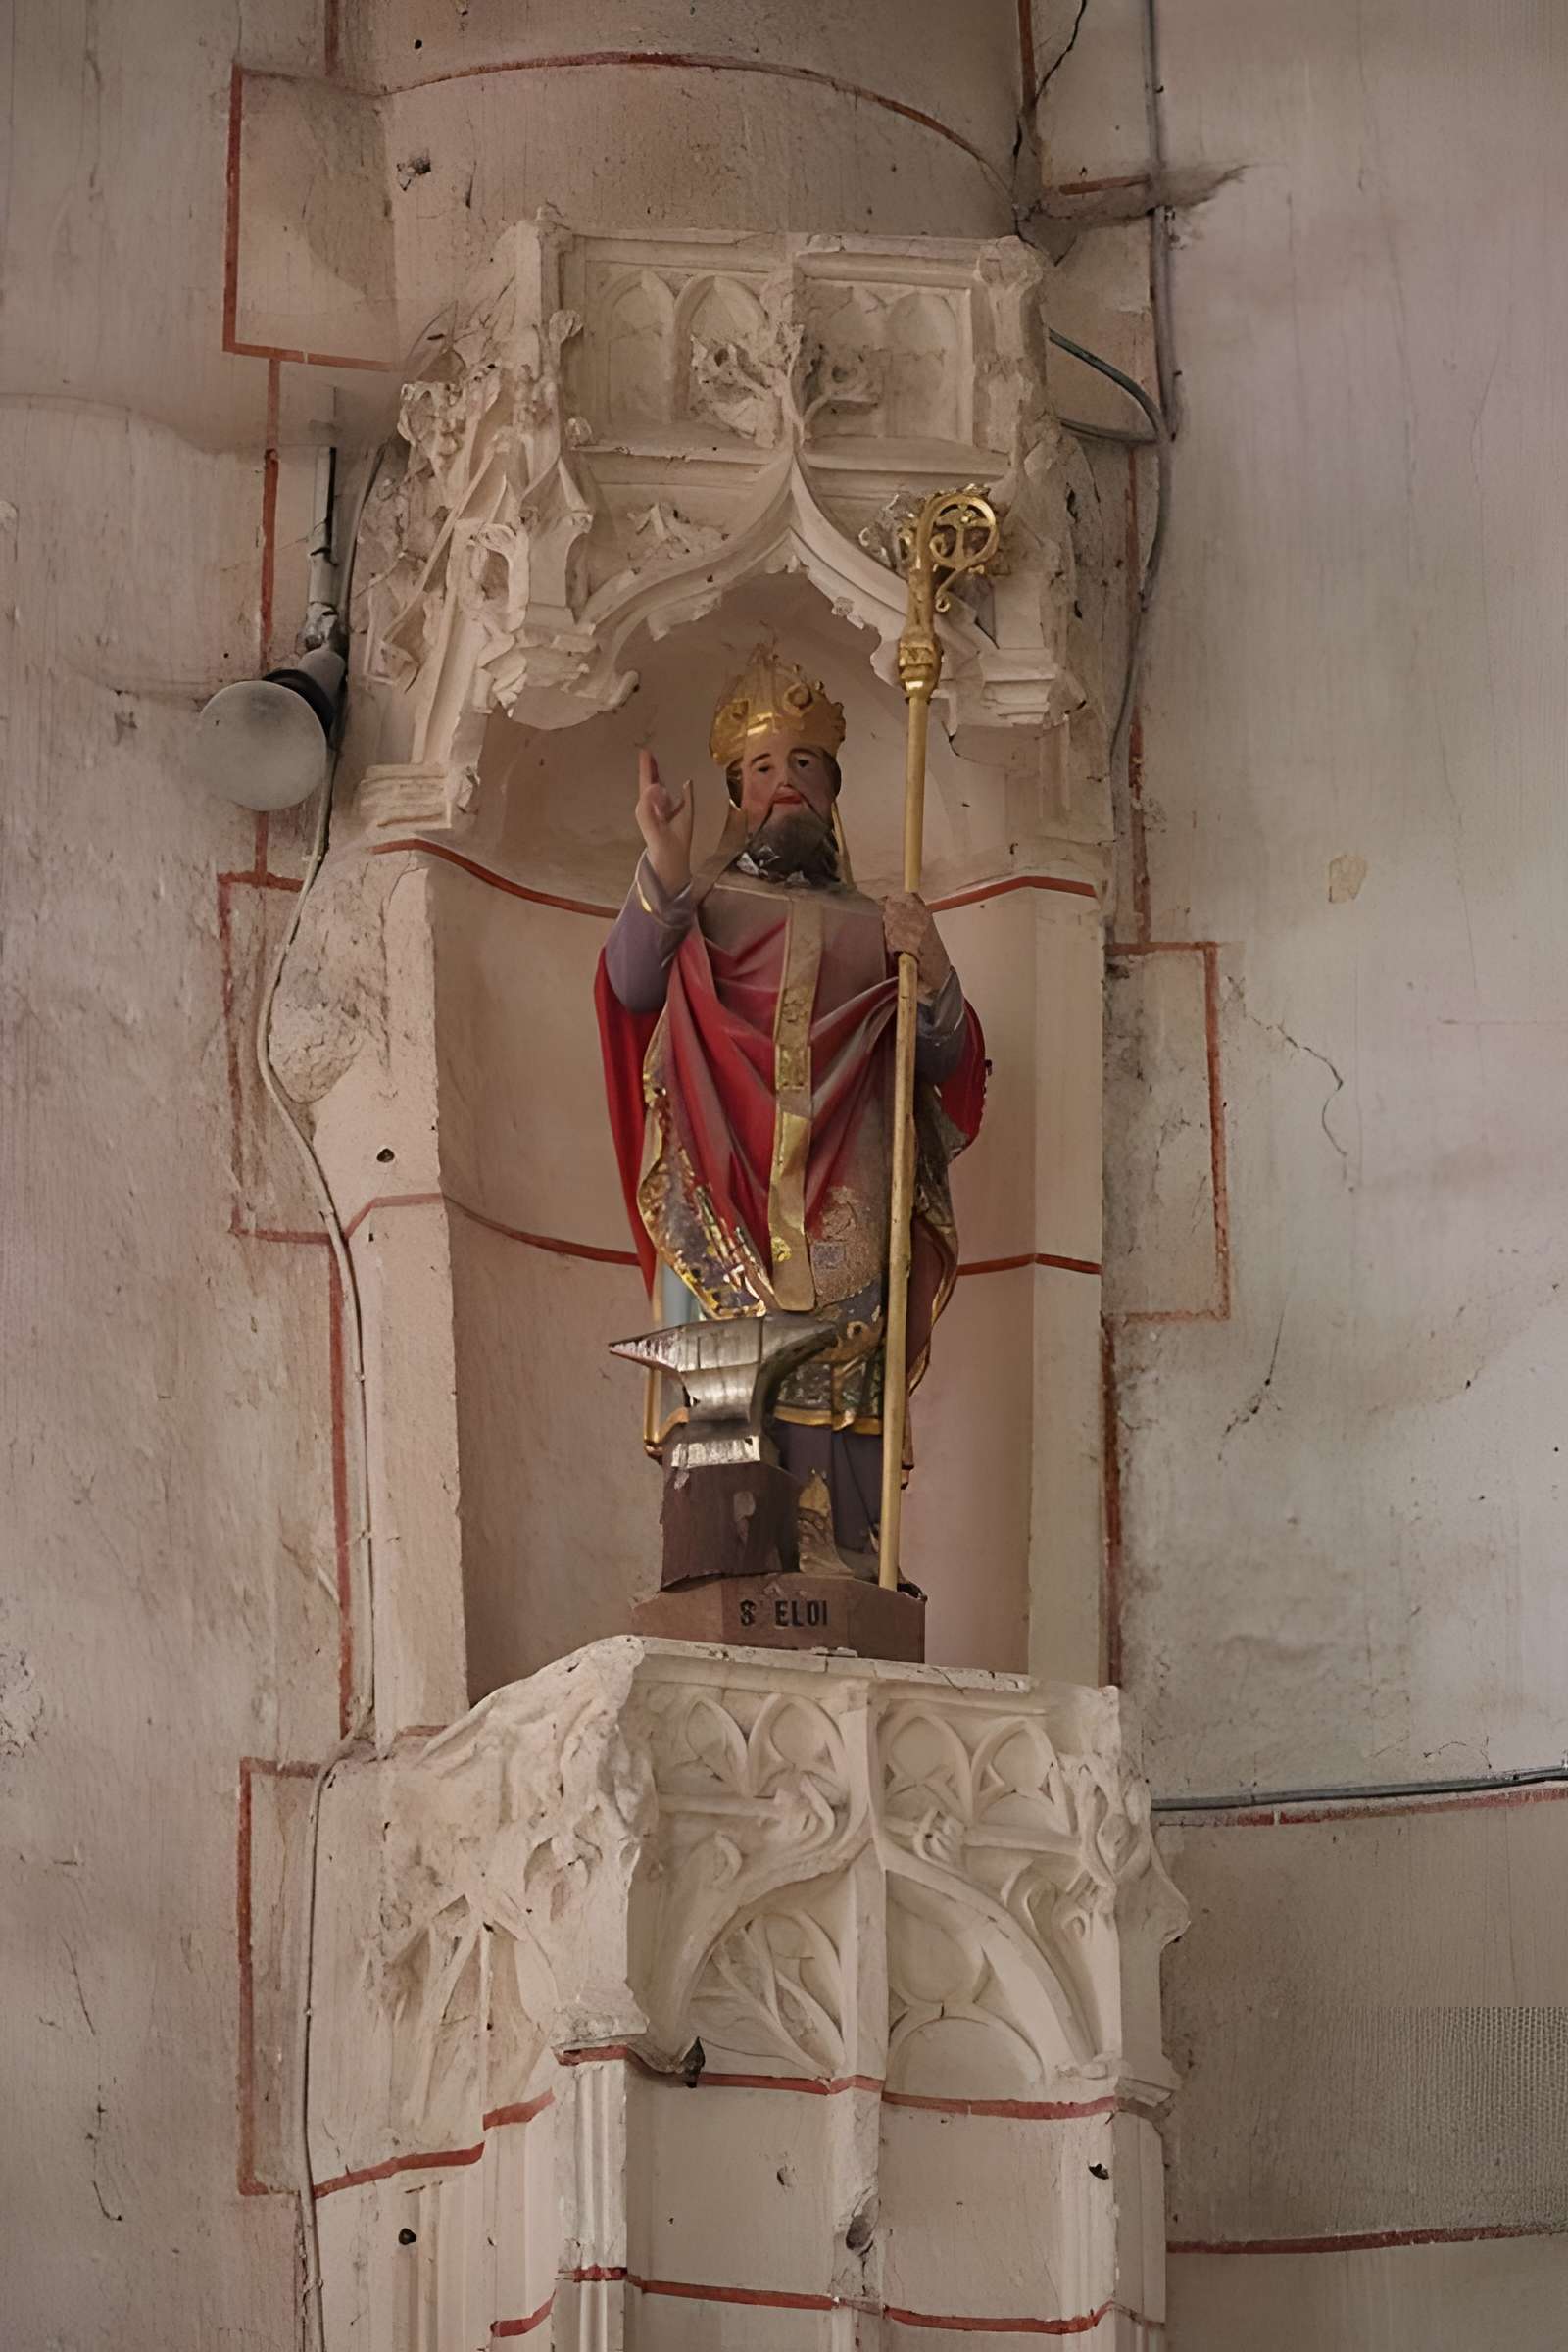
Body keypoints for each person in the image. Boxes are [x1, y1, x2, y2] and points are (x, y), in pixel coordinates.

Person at [595, 647, 986, 1572]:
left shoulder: (879, 925)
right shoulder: (699, 907)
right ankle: (728, 1562)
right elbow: (629, 981)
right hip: (717, 1186)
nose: (785, 788)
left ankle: (844, 1560)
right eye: (764, 770)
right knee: (730, 1380)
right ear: (736, 791)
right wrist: (660, 859)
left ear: (833, 788)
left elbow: (947, 1064)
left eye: (804, 767)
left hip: (849, 1178)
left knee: (843, 1367)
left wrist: (929, 970)